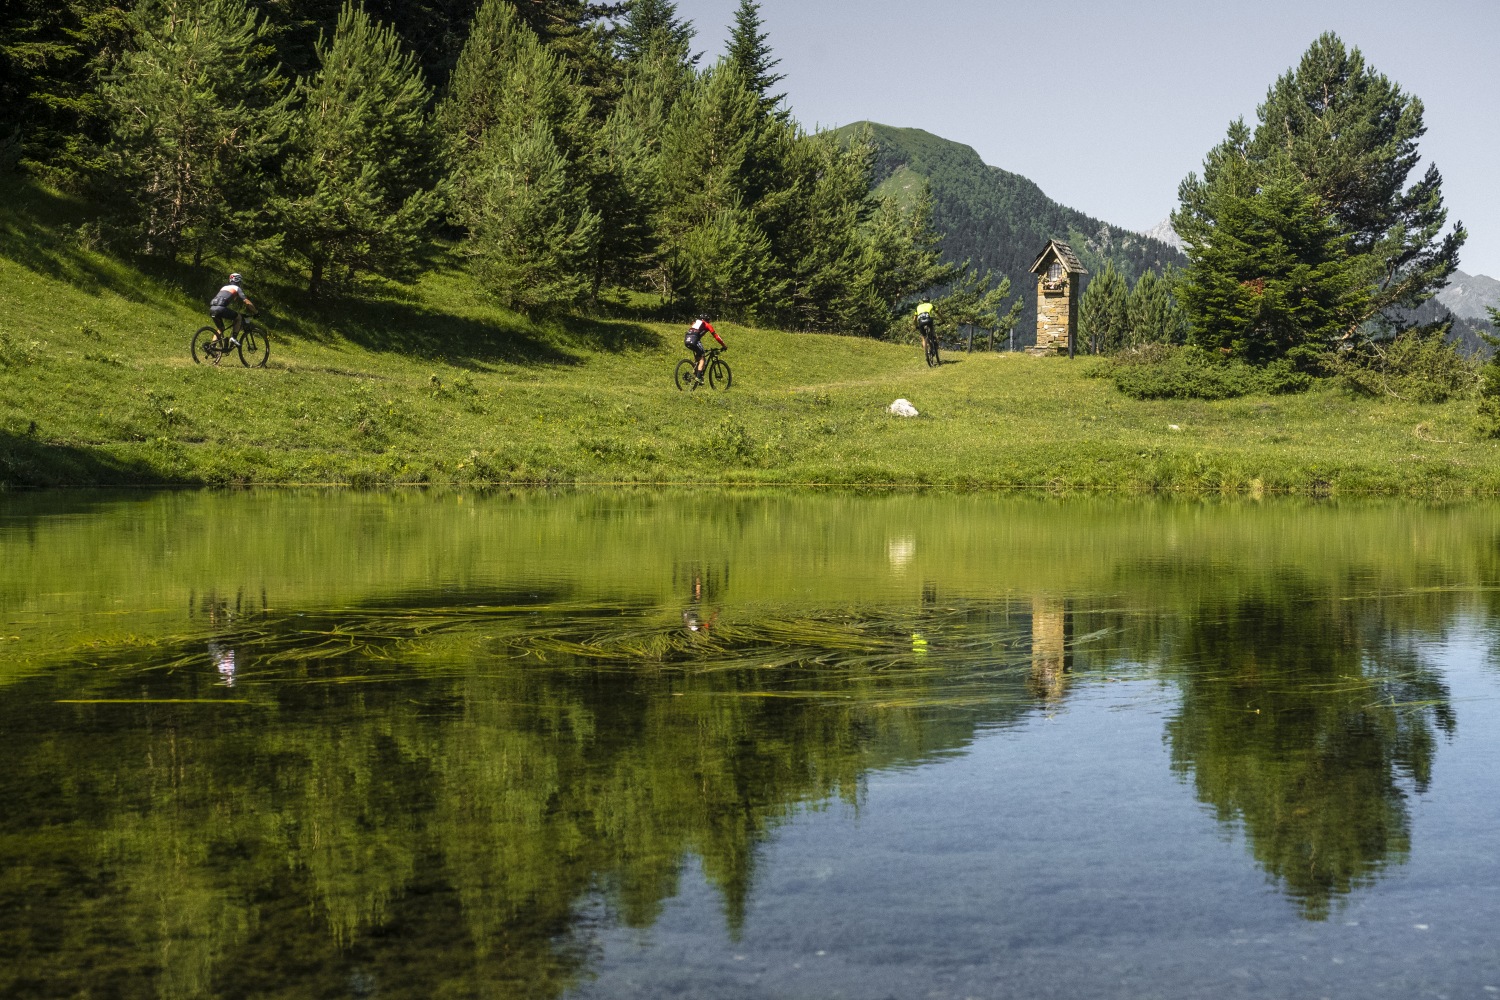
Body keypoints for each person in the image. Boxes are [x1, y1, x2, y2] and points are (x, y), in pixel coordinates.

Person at [208, 273, 257, 346]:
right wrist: (256, 312)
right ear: (239, 281)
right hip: (221, 309)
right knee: (238, 317)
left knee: (221, 329)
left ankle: (212, 347)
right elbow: (246, 302)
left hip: (212, 308)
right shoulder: (237, 288)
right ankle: (233, 337)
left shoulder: (224, 287)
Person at [685, 315, 726, 381]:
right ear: (707, 320)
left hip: (687, 339)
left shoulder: (695, 323)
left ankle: (696, 370)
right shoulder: (707, 325)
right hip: (695, 340)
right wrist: (724, 345)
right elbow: (716, 336)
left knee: (699, 355)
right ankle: (698, 377)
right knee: (702, 358)